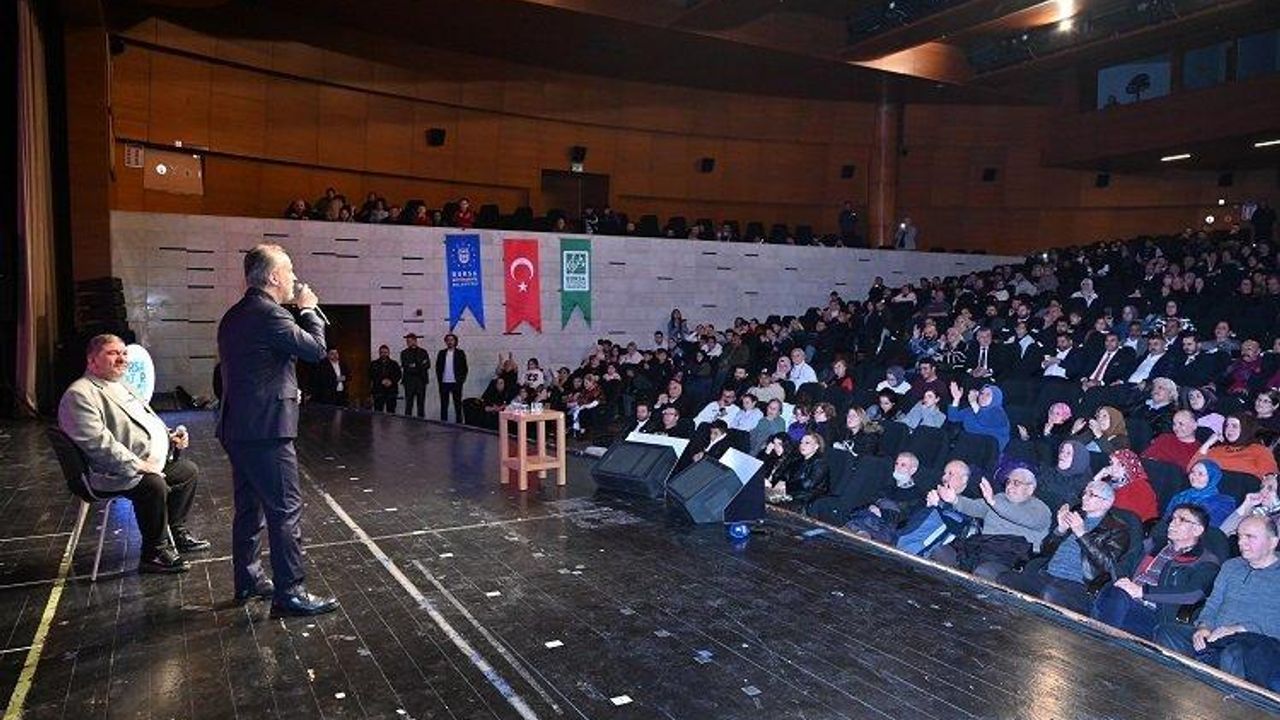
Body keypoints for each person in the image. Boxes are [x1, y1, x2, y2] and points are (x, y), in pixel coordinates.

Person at [217, 243, 338, 616]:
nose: (294, 278)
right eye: (289, 271)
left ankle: (249, 579)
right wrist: (308, 310)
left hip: (238, 426)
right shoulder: (270, 315)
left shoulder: (235, 315)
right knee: (285, 509)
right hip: (267, 429)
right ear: (273, 276)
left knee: (249, 508)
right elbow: (316, 350)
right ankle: (291, 592)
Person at [58, 334, 209, 574]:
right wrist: (138, 465)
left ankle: (175, 532)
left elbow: (145, 421)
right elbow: (100, 446)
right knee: (153, 484)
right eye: (112, 353)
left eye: (124, 353)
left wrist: (170, 437)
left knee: (187, 472)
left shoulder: (122, 385)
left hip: (143, 463)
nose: (122, 359)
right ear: (92, 360)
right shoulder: (80, 394)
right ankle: (154, 552)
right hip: (107, 472)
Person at [1154, 516, 1280, 685]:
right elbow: (1213, 603)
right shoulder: (1231, 566)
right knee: (1166, 632)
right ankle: (1178, 688)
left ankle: (1226, 698)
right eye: (1239, 536)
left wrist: (1239, 629)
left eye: (1250, 537)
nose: (1241, 543)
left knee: (1234, 653)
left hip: (1257, 644)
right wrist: (1204, 627)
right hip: (1215, 637)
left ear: (1273, 542)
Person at [997, 481, 1131, 615]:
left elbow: (1107, 565)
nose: (1084, 497)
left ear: (1106, 503)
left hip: (1078, 585)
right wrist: (1060, 530)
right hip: (1047, 575)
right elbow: (1044, 550)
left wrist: (1082, 534)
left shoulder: (1117, 530)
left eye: (1091, 494)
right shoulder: (1076, 514)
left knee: (1050, 595)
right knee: (1005, 579)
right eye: (1084, 493)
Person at [1092, 503, 1220, 640]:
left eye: (1182, 520)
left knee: (1111, 603)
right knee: (1113, 594)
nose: (1172, 523)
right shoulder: (1154, 544)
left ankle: (1099, 639)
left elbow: (1192, 594)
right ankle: (1101, 639)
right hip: (1124, 598)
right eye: (1172, 518)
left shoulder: (1206, 561)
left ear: (1197, 530)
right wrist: (1123, 580)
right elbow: (1123, 564)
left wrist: (1142, 592)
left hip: (1156, 614)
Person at [931, 468, 1052, 579]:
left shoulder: (1041, 509)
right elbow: (974, 507)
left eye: (1016, 483)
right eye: (1008, 482)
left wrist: (993, 502)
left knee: (984, 572)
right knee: (941, 553)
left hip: (1011, 558)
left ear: (1030, 489)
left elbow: (1020, 517)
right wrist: (954, 499)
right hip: (982, 547)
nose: (1010, 486)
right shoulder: (999, 498)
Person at [1165, 460, 1236, 527]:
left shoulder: (1222, 503)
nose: (1194, 476)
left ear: (1212, 477)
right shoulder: (1181, 496)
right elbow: (1166, 520)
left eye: (1200, 474)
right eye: (1192, 472)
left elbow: (1211, 529)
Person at [436, 333, 468, 422]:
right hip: (444, 383)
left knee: (457, 405)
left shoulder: (460, 353)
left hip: (456, 383)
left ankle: (459, 423)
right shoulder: (441, 353)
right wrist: (440, 380)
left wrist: (461, 380)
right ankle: (443, 423)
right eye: (448, 340)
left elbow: (465, 368)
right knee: (444, 405)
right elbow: (438, 368)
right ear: (446, 342)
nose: (450, 342)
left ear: (455, 341)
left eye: (451, 340)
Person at [400, 333, 430, 418]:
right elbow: (406, 367)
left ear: (415, 341)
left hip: (421, 381)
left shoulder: (423, 352)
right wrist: (420, 365)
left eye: (410, 341)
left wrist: (414, 365)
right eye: (407, 341)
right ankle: (408, 422)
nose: (408, 343)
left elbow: (428, 365)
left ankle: (421, 422)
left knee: (421, 404)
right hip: (409, 382)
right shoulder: (404, 353)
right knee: (409, 404)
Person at [368, 344, 402, 413]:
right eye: (382, 352)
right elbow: (371, 375)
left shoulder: (394, 364)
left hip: (391, 391)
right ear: (379, 353)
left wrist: (391, 381)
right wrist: (381, 381)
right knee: (378, 412)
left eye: (385, 352)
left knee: (391, 412)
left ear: (388, 353)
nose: (384, 354)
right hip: (378, 391)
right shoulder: (374, 364)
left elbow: (398, 375)